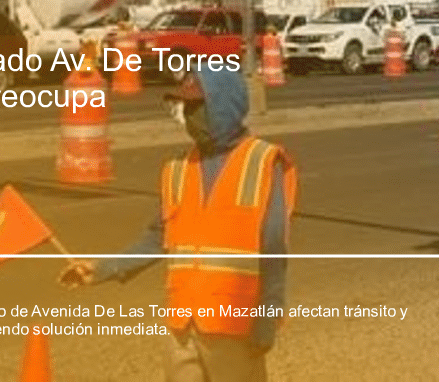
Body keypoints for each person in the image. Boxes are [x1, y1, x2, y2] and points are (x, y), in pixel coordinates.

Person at [59, 67, 298, 382]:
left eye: (197, 106)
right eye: (186, 107)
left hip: (234, 327)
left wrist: (267, 316)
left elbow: (273, 250)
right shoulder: (177, 168)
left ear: (223, 105)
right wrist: (104, 267)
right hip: (183, 325)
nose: (189, 115)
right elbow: (158, 238)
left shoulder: (263, 162)